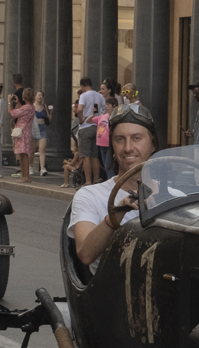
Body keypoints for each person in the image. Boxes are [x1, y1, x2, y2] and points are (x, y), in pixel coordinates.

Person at [68, 104, 159, 269]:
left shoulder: (176, 196)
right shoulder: (90, 195)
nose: (128, 148)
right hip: (112, 289)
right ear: (112, 148)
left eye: (137, 138)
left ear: (153, 145)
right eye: (120, 139)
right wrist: (115, 215)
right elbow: (85, 254)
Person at [76, 77, 104, 186]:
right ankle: (96, 180)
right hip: (96, 126)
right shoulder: (100, 96)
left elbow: (79, 109)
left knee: (85, 156)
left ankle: (88, 181)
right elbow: (102, 109)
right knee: (94, 155)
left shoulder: (83, 95)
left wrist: (81, 120)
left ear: (82, 86)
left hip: (86, 126)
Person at [9, 86, 37, 185]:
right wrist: (18, 103)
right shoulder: (31, 107)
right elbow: (22, 111)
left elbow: (13, 113)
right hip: (27, 132)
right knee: (24, 154)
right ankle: (26, 176)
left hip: (22, 133)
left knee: (22, 155)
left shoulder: (26, 108)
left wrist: (9, 102)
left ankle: (25, 176)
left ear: (24, 97)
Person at [30, 90, 51, 177]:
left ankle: (42, 168)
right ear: (35, 97)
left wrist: (51, 112)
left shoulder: (44, 106)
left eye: (41, 95)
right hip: (34, 128)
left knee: (42, 148)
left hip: (42, 127)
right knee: (32, 150)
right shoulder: (32, 107)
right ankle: (30, 167)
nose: (40, 97)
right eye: (38, 95)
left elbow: (48, 120)